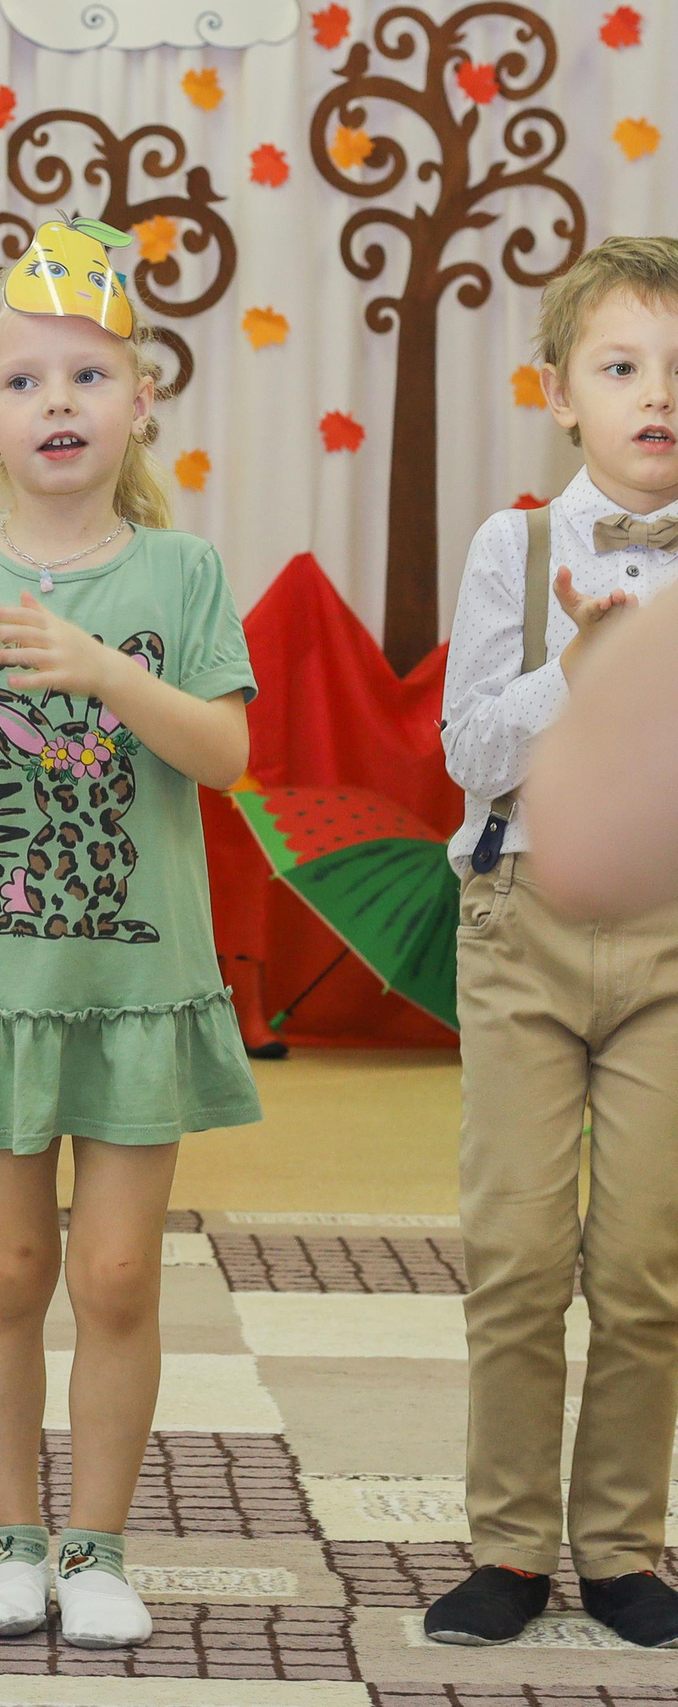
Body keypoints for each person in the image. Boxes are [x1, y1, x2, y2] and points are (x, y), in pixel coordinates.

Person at [0, 222, 259, 1649]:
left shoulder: (184, 572)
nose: (60, 403)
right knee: (8, 1267)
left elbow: (220, 753)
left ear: (141, 397)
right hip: (1, 981)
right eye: (26, 381)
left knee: (121, 1272)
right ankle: (10, 1536)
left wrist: (99, 668)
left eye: (90, 373)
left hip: (139, 983)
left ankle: (97, 1544)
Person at [425, 235, 678, 1649]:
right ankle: (511, 1545)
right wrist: (577, 661)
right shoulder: (512, 547)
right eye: (624, 365)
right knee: (519, 1246)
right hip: (523, 919)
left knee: (646, 1256)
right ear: (562, 393)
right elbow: (468, 749)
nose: (658, 395)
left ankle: (624, 1542)